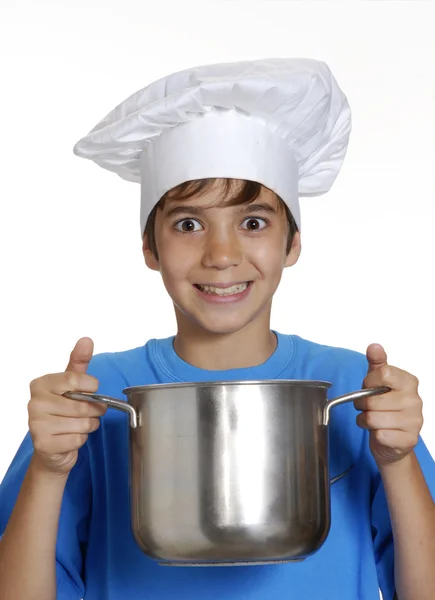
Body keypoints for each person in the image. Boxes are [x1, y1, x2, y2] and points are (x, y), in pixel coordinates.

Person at [0, 58, 434, 600]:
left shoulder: (354, 390)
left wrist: (395, 461)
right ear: (149, 248)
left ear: (292, 244)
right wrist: (47, 469)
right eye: (188, 224)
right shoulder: (94, 399)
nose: (222, 255)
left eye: (253, 222)